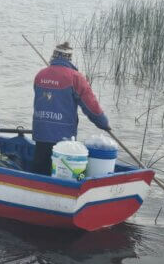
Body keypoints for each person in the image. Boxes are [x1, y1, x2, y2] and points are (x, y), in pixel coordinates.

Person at [31, 42, 110, 175]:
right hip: (63, 138)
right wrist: (103, 123)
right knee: (63, 171)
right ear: (69, 58)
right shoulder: (75, 78)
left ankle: (35, 187)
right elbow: (91, 106)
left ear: (54, 57)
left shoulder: (40, 75)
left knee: (40, 169)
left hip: (41, 133)